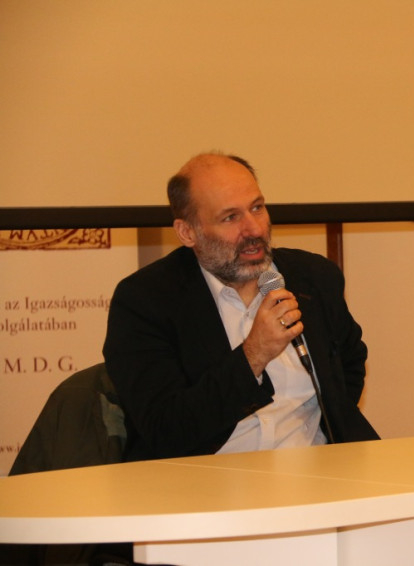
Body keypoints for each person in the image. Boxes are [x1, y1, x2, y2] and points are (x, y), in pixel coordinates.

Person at [103, 152, 379, 461]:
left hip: (315, 470)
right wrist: (254, 355)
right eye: (230, 217)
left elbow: (349, 367)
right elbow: (165, 429)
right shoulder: (145, 300)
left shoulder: (313, 278)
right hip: (206, 480)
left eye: (257, 208)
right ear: (187, 232)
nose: (254, 230)